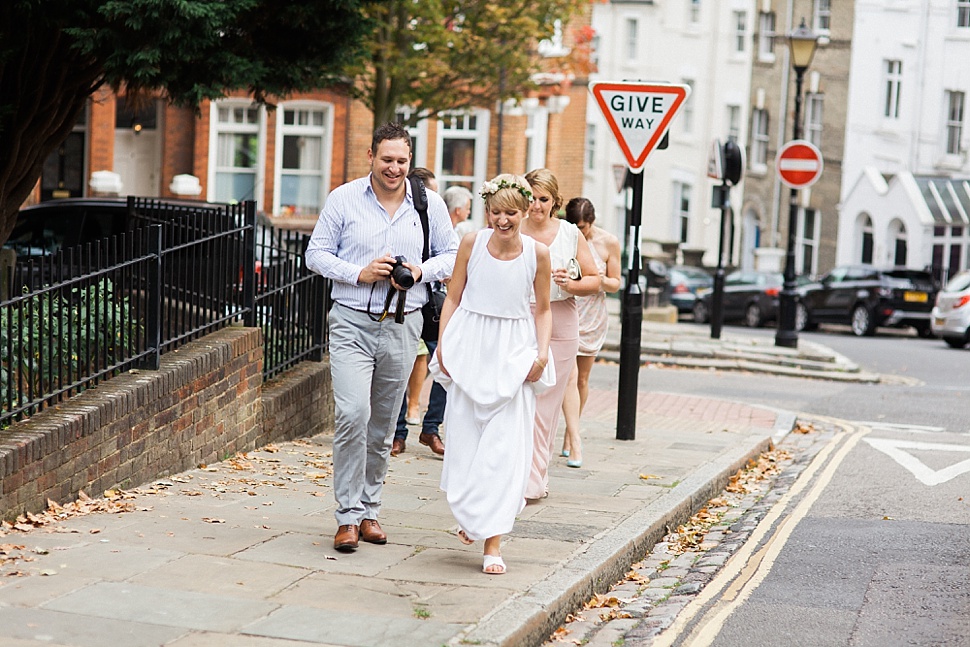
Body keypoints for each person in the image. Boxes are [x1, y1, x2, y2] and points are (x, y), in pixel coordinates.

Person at [305, 123, 458, 553]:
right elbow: (315, 254)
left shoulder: (428, 204)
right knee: (353, 413)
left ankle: (369, 510)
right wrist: (359, 272)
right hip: (352, 321)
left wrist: (420, 272)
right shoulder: (344, 198)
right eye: (387, 159)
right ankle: (346, 517)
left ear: (410, 162)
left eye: (402, 161)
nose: (394, 168)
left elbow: (451, 254)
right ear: (371, 156)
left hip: (404, 325)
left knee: (384, 423)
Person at [429, 173, 553, 575]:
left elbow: (544, 309)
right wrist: (444, 345)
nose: (503, 220)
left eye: (511, 213)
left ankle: (493, 543)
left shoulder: (539, 254)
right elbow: (453, 295)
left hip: (514, 352)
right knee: (465, 444)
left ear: (525, 211)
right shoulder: (472, 243)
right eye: (496, 213)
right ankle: (471, 515)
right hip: (471, 346)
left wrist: (541, 353)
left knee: (504, 451)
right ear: (487, 211)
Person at [521, 168, 600, 501]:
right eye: (531, 198)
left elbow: (594, 280)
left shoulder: (570, 234)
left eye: (543, 199)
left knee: (547, 404)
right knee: (521, 399)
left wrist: (572, 283)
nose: (536, 206)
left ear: (555, 202)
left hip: (562, 319)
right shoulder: (512, 228)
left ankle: (536, 475)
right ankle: (518, 471)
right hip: (520, 319)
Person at [559, 198, 621, 468]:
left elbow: (616, 284)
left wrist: (598, 279)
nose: (579, 232)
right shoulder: (564, 236)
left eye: (582, 227)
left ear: (591, 223)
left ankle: (568, 433)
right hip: (567, 309)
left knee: (581, 379)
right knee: (566, 378)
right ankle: (574, 438)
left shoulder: (608, 242)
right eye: (574, 225)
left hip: (592, 316)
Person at [392, 168, 446, 457]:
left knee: (448, 365)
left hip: (436, 305)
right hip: (407, 301)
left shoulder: (442, 221)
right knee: (400, 364)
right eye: (430, 192)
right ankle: (398, 432)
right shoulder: (403, 220)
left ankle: (431, 428)